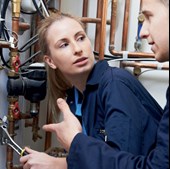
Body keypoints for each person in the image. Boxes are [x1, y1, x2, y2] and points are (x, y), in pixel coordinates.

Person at [20, 3, 167, 168]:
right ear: (50, 61)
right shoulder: (76, 97)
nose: (77, 49)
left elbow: (120, 162)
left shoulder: (114, 84)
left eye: (81, 38)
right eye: (64, 44)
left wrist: (60, 163)